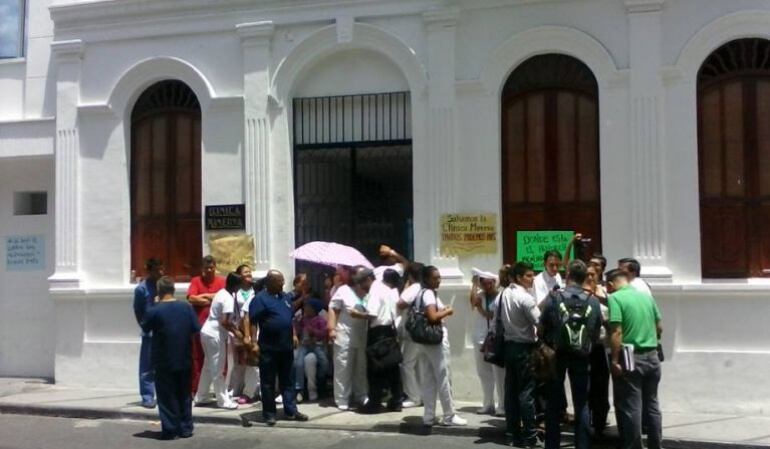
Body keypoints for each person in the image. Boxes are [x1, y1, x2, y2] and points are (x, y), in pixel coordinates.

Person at [539, 260, 602, 449]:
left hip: (557, 354)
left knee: (553, 401)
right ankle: (582, 445)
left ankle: (552, 444)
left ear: (567, 276)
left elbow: (540, 329)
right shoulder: (593, 300)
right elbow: (597, 332)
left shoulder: (555, 297)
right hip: (582, 355)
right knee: (581, 402)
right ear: (585, 278)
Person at [606, 269, 663, 449]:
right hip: (652, 356)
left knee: (632, 406)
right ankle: (656, 445)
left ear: (610, 285)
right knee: (652, 405)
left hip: (631, 357)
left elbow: (616, 331)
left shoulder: (615, 298)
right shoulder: (646, 297)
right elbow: (660, 326)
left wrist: (615, 360)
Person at [140, 276, 200, 440]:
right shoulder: (186, 308)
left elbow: (145, 326)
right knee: (184, 395)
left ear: (159, 291)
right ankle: (185, 427)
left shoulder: (154, 310)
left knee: (166, 396)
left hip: (163, 359)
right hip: (184, 357)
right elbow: (195, 328)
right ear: (173, 289)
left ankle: (170, 428)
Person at [405, 265, 466, 427]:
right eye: (435, 278)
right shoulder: (429, 295)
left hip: (423, 342)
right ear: (426, 279)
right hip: (435, 341)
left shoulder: (420, 293)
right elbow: (432, 316)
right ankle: (449, 415)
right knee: (443, 377)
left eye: (439, 277)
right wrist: (447, 311)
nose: (438, 280)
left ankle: (429, 416)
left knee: (429, 379)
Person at [249, 270, 309, 426]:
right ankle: (269, 413)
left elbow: (288, 318)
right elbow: (252, 322)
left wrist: (294, 334)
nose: (283, 283)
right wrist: (253, 343)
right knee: (268, 382)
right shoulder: (259, 299)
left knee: (288, 380)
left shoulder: (285, 297)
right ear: (270, 282)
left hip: (286, 346)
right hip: (269, 347)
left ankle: (291, 410)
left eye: (283, 280)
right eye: (280, 281)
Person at [498, 262, 540, 447]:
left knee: (511, 392)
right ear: (518, 277)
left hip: (509, 347)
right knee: (526, 393)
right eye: (528, 276)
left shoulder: (504, 294)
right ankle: (530, 436)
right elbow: (539, 322)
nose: (532, 279)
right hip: (524, 348)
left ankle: (511, 433)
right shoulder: (525, 298)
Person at [357, 268, 403, 413]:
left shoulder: (374, 291)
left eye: (361, 283)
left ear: (368, 279)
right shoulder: (387, 289)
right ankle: (396, 400)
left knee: (375, 369)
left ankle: (374, 403)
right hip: (389, 330)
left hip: (377, 332)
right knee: (392, 368)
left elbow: (372, 314)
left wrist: (357, 314)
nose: (361, 287)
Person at [195, 272, 243, 409]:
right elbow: (225, 322)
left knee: (208, 366)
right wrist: (236, 332)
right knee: (218, 368)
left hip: (207, 331)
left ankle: (202, 395)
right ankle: (223, 400)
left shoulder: (221, 292)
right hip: (215, 334)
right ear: (236, 285)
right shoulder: (227, 298)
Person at [327, 265, 368, 410]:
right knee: (343, 367)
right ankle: (342, 398)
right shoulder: (343, 290)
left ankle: (361, 396)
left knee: (360, 368)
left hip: (362, 335)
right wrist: (331, 329)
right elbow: (333, 309)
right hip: (344, 334)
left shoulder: (366, 291)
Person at [186, 256, 225, 397]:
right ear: (202, 268)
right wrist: (212, 298)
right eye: (206, 268)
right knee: (197, 357)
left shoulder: (222, 281)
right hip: (199, 326)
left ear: (215, 267)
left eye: (211, 267)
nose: (209, 270)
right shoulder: (196, 281)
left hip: (217, 328)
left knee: (219, 358)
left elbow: (223, 298)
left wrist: (203, 296)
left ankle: (219, 390)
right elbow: (191, 298)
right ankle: (197, 390)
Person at [470, 270, 505, 416]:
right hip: (480, 337)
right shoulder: (481, 296)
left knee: (498, 374)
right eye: (483, 283)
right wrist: (473, 284)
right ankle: (488, 403)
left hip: (495, 338)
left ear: (494, 282)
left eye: (488, 282)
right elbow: (472, 302)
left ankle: (501, 405)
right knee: (483, 372)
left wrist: (480, 309)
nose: (486, 285)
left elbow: (492, 315)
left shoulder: (500, 297)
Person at [133, 258, 165, 408]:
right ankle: (147, 396)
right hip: (150, 333)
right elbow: (138, 310)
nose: (161, 272)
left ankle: (164, 394)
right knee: (147, 366)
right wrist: (145, 326)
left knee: (163, 365)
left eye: (161, 269)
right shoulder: (141, 289)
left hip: (163, 331)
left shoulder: (162, 287)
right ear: (150, 270)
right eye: (157, 270)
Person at [585, 263, 611, 435]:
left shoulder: (604, 294)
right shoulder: (577, 295)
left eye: (593, 274)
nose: (590, 277)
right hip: (582, 348)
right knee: (585, 388)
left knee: (600, 387)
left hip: (600, 347)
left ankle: (600, 422)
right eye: (587, 274)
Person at [229, 264, 259, 405]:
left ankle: (250, 391)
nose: (249, 274)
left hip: (253, 330)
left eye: (250, 272)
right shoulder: (235, 292)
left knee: (252, 362)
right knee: (239, 361)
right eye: (245, 272)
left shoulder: (257, 291)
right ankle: (237, 388)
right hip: (238, 330)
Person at [397, 261, 424, 408]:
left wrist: (405, 289)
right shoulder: (426, 288)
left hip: (412, 332)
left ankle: (414, 397)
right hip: (422, 332)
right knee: (418, 364)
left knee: (406, 364)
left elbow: (400, 303)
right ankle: (421, 395)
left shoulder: (414, 287)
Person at [293, 298, 329, 402]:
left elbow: (323, 333)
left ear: (314, 310)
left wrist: (312, 331)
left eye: (307, 307)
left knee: (324, 362)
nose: (305, 309)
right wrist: (296, 324)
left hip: (317, 346)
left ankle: (321, 381)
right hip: (304, 346)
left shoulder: (320, 320)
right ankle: (299, 388)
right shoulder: (302, 320)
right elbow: (296, 328)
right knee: (298, 363)